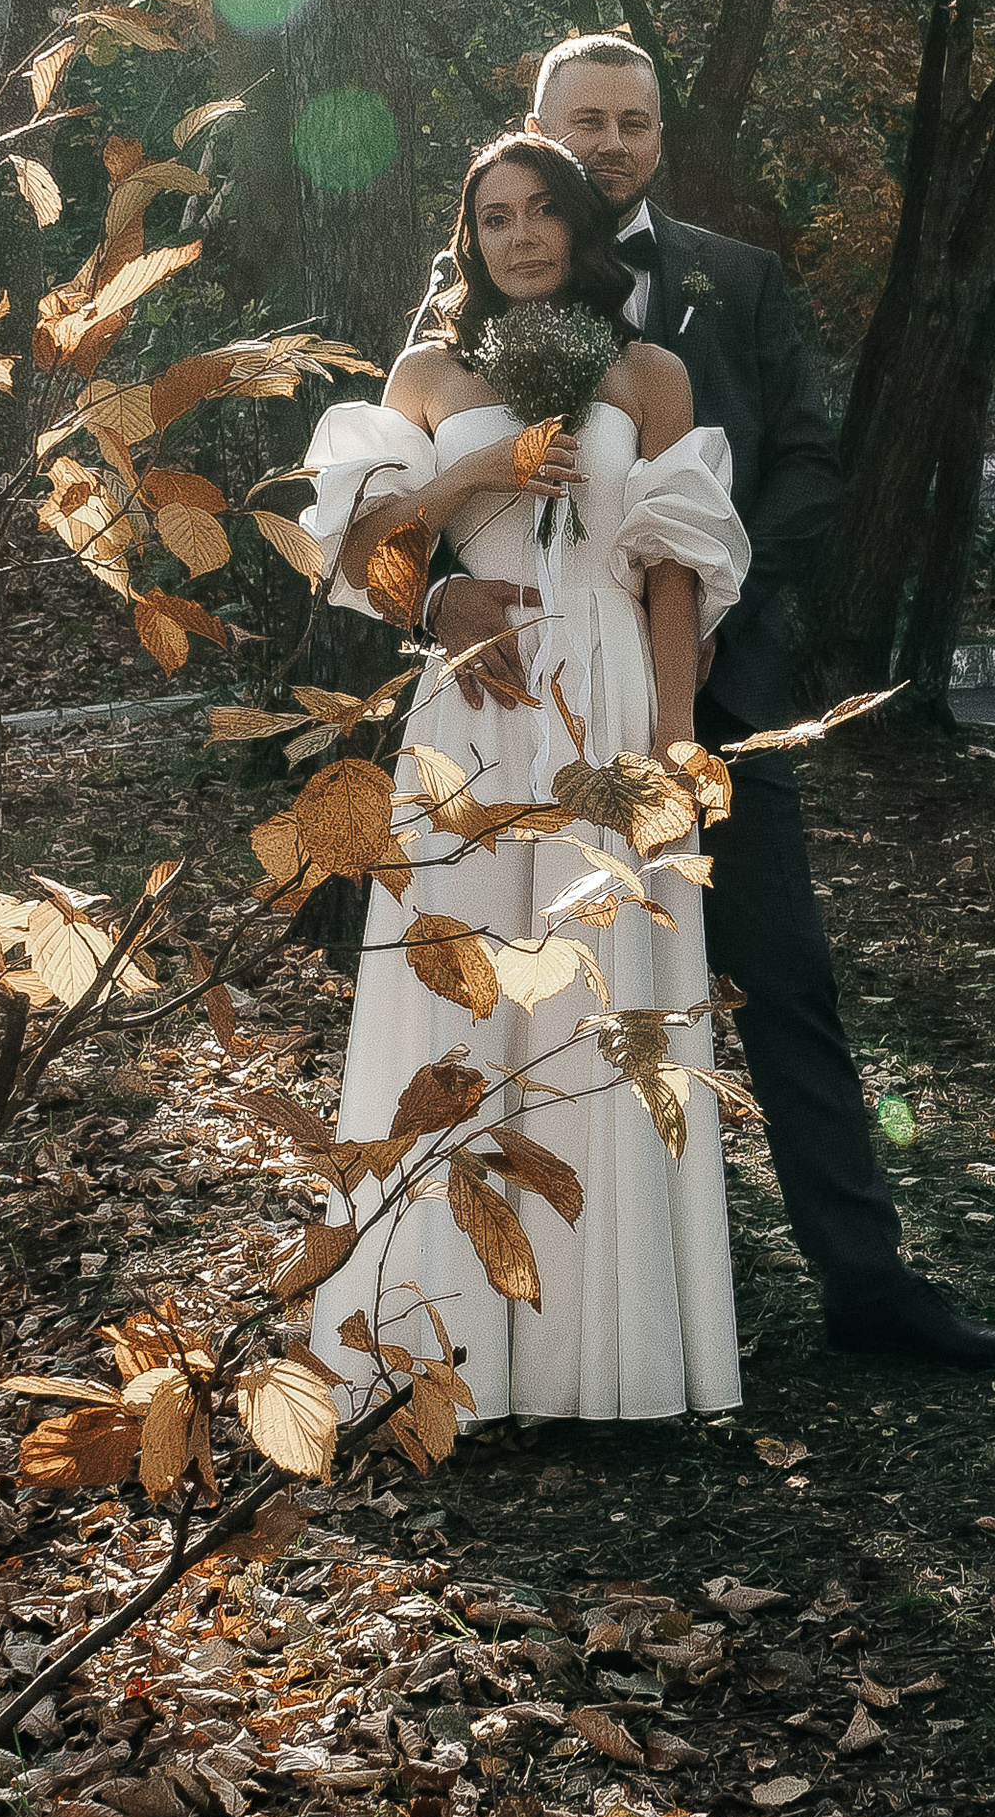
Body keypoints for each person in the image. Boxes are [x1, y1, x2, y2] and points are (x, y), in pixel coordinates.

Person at [416, 36, 995, 1372]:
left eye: (636, 122)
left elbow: (807, 465)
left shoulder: (735, 282)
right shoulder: (464, 305)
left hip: (715, 694)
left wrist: (689, 609)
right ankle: (520, 1321)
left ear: (660, 138)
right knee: (516, 996)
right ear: (532, 128)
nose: (611, 144)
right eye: (584, 120)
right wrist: (428, 606)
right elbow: (391, 507)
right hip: (515, 710)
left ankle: (869, 1286)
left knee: (787, 984)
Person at [298, 132, 755, 1422]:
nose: (520, 237)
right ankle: (438, 1356)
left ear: (581, 225)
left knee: (598, 1001)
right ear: (471, 240)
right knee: (457, 994)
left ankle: (597, 1362)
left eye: (542, 212)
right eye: (493, 218)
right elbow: (360, 549)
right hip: (475, 711)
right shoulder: (434, 373)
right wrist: (466, 503)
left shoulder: (649, 374)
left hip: (604, 689)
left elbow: (674, 569)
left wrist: (673, 742)